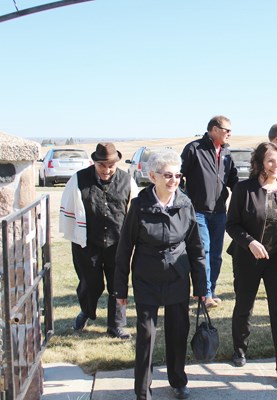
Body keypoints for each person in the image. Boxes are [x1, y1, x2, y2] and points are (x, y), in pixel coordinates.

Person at [113, 148, 207, 400]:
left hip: (178, 276)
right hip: (147, 278)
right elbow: (124, 250)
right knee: (146, 335)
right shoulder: (139, 205)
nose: (173, 181)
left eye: (177, 175)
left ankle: (178, 381)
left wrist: (201, 286)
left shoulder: (185, 204)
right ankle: (142, 389)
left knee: (178, 332)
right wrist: (120, 290)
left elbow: (196, 248)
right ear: (153, 176)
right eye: (167, 175)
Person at [226, 142, 277, 387]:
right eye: (271, 161)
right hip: (247, 260)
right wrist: (249, 243)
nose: (276, 166)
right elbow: (232, 224)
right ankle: (240, 349)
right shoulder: (243, 189)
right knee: (244, 306)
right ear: (259, 162)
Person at [59, 142, 138, 339]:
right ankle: (86, 310)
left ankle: (116, 325)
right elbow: (68, 208)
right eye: (102, 165)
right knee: (90, 283)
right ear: (94, 162)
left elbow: (134, 213)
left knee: (117, 285)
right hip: (87, 243)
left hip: (117, 244)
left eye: (111, 165)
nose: (107, 170)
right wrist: (75, 236)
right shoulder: (78, 180)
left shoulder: (128, 181)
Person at [180, 115, 239, 308]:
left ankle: (210, 290)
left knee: (215, 254)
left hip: (220, 211)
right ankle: (204, 294)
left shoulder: (227, 152)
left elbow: (233, 180)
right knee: (202, 252)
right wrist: (184, 201)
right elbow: (180, 177)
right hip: (198, 211)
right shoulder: (193, 149)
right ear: (214, 129)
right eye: (226, 130)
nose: (230, 133)